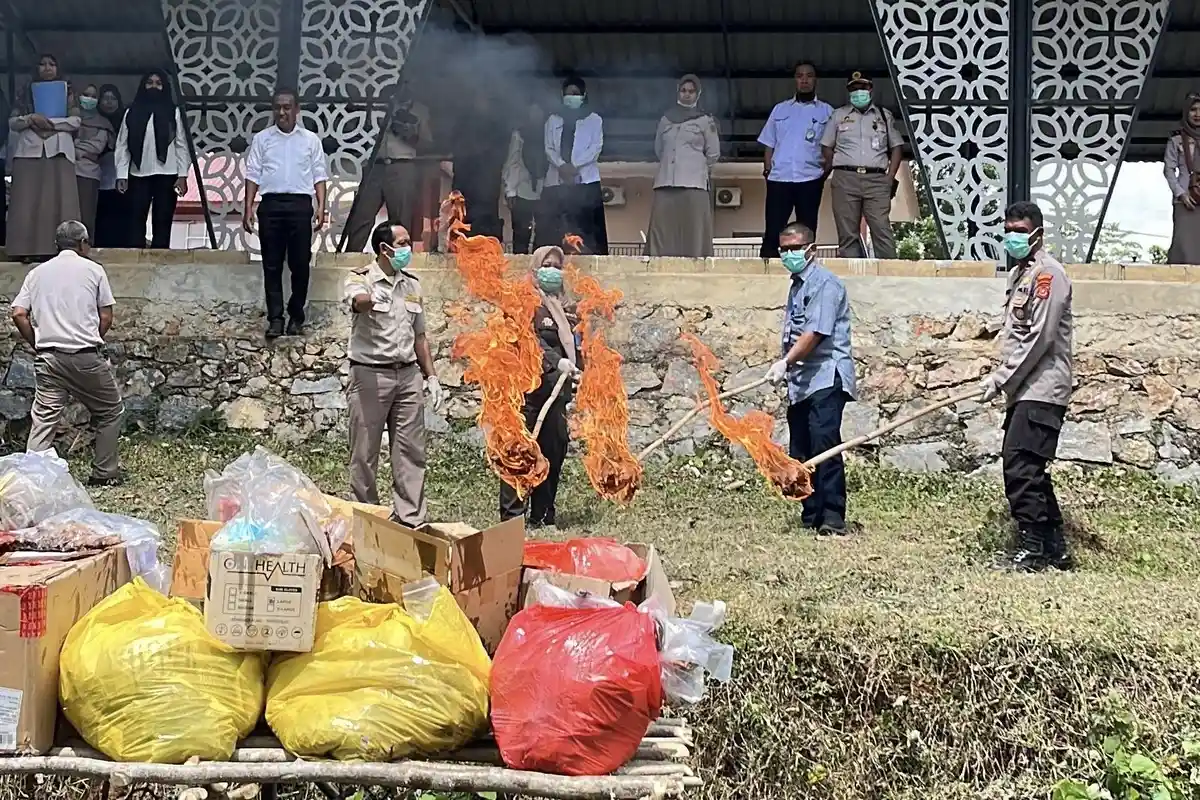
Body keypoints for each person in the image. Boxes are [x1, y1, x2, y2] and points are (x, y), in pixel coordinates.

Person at [978, 201, 1073, 572]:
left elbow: (1040, 338)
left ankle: (1033, 549)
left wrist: (1001, 378)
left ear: (1038, 234)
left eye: (1020, 231)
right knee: (1031, 468)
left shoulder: (1049, 276)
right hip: (1025, 390)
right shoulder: (1022, 275)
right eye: (1009, 230)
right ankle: (1055, 549)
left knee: (1019, 468)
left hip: (1042, 388)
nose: (1013, 237)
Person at [344, 221, 444, 526]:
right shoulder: (360, 278)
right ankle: (368, 518)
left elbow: (420, 336)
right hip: (370, 374)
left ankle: (411, 518)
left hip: (407, 375)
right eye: (401, 243)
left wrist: (432, 377)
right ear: (384, 249)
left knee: (411, 450)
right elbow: (356, 302)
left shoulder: (411, 285)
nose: (407, 249)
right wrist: (373, 299)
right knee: (364, 452)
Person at [11, 221, 124, 486]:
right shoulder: (94, 271)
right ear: (84, 244)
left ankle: (33, 479)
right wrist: (91, 338)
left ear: (56, 245)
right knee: (110, 411)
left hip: (49, 357)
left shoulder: (37, 273)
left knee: (45, 417)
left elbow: (18, 313)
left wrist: (36, 342)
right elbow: (106, 315)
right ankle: (104, 473)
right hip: (85, 355)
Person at [764, 223, 856, 535]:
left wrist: (784, 362)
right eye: (784, 249)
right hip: (802, 381)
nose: (789, 254)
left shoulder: (825, 285)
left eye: (795, 248)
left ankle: (832, 517)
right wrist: (788, 368)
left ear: (811, 249)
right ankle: (811, 512)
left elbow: (815, 333)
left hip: (826, 377)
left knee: (824, 445)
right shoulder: (797, 285)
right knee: (801, 449)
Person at [499, 245, 580, 527]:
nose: (553, 270)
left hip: (557, 392)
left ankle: (543, 515)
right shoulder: (524, 302)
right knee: (520, 451)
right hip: (528, 389)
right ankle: (513, 517)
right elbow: (531, 340)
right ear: (534, 269)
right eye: (547, 264)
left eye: (557, 265)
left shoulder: (566, 307)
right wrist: (557, 362)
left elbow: (576, 345)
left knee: (553, 451)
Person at [243, 88, 329, 339]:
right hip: (270, 206)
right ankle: (275, 319)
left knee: (300, 264)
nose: (282, 112)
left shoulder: (311, 140)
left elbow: (319, 175)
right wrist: (248, 207)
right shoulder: (262, 139)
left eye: (287, 107)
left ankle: (296, 316)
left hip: (301, 206)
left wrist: (321, 206)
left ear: (297, 109)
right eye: (278, 107)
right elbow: (252, 174)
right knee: (271, 265)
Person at [820, 72, 903, 259]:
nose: (858, 92)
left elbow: (897, 147)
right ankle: (854, 275)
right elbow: (827, 146)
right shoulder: (838, 115)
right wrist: (839, 165)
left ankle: (889, 276)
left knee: (881, 228)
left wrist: (890, 177)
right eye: (854, 88)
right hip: (845, 178)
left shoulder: (884, 115)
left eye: (862, 87)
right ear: (849, 91)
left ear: (870, 89)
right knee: (847, 231)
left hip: (877, 179)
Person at [7, 54, 82, 262]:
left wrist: (49, 123)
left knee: (58, 199)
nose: (47, 68)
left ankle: (61, 249)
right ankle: (24, 250)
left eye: (52, 64)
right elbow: (13, 122)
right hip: (29, 151)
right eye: (42, 64)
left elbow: (75, 121)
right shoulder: (25, 92)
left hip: (58, 151)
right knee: (27, 201)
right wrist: (31, 118)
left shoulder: (69, 91)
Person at [757, 62, 834, 259]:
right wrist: (768, 171)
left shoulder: (827, 112)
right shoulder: (780, 109)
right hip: (779, 178)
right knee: (773, 231)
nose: (805, 80)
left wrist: (823, 175)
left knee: (806, 231)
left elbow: (832, 147)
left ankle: (806, 275)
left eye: (809, 76)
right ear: (795, 80)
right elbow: (769, 143)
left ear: (816, 80)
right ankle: (767, 276)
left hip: (810, 179)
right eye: (800, 76)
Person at [343, 83, 431, 252]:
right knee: (361, 215)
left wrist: (410, 134)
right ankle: (351, 256)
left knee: (401, 218)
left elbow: (427, 143)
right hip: (375, 166)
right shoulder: (381, 105)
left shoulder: (420, 110)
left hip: (402, 166)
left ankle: (400, 260)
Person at [647, 74, 720, 258]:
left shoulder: (705, 120)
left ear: (698, 94)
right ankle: (658, 260)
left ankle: (696, 261)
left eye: (691, 91)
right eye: (683, 90)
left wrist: (695, 167)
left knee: (694, 226)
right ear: (677, 92)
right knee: (662, 226)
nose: (687, 95)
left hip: (694, 182)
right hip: (666, 181)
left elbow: (713, 153)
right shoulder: (665, 119)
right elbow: (658, 148)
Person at [115, 70, 190, 249]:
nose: (154, 86)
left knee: (163, 218)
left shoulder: (174, 112)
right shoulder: (131, 112)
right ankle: (135, 259)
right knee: (135, 217)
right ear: (143, 86)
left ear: (165, 87)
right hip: (138, 173)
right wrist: (122, 174)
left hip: (168, 173)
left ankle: (161, 258)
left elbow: (181, 145)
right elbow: (122, 146)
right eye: (150, 82)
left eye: (158, 83)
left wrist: (183, 175)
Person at [540, 76, 608, 254]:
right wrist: (562, 166)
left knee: (587, 230)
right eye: (568, 93)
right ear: (562, 95)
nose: (572, 96)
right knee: (554, 229)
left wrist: (574, 166)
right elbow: (548, 148)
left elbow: (596, 148)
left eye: (576, 93)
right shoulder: (552, 120)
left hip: (586, 182)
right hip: (556, 181)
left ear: (584, 95)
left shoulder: (595, 120)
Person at [503, 102, 546, 254]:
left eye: (538, 112)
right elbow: (512, 163)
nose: (535, 116)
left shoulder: (549, 133)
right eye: (532, 112)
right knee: (521, 234)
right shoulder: (519, 134)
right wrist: (510, 191)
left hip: (545, 190)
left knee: (544, 235)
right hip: (522, 190)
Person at [73, 84, 114, 237]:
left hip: (89, 173)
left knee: (86, 215)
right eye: (85, 94)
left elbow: (96, 147)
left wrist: (74, 149)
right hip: (65, 171)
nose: (88, 98)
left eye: (93, 96)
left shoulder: (103, 123)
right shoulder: (69, 118)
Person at [1165, 93, 1200, 265]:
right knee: (1184, 246)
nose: (1197, 114)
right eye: (1193, 109)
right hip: (1185, 200)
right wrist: (1181, 194)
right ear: (1186, 112)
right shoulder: (1176, 139)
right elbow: (1169, 170)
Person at [93, 84, 127, 248]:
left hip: (121, 179)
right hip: (96, 177)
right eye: (105, 98)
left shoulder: (126, 121)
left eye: (113, 98)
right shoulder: (92, 122)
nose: (109, 102)